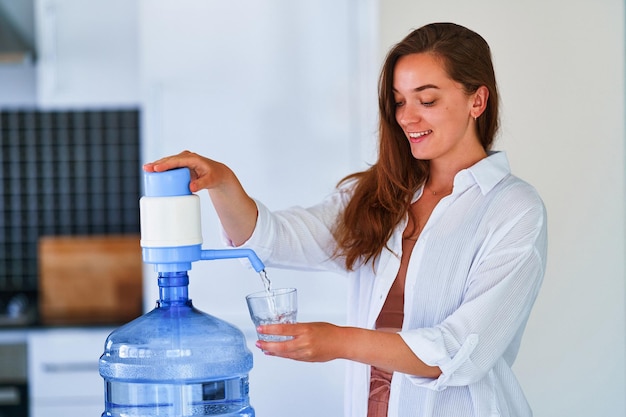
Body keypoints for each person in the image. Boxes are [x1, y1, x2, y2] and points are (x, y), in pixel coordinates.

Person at [144, 22, 547, 417]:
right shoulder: (379, 195)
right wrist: (223, 184)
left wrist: (337, 341)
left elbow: (459, 352)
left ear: (477, 101)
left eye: (427, 100)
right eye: (399, 101)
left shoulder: (512, 210)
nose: (406, 117)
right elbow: (272, 238)